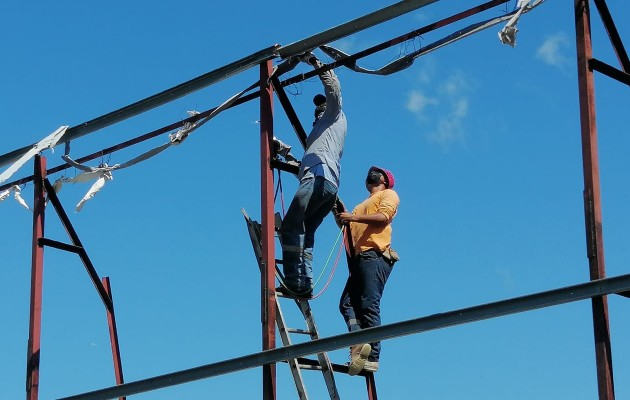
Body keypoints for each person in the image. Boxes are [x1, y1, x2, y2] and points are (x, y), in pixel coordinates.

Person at [278, 52, 347, 298]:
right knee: (305, 231)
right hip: (326, 185)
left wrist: (315, 61)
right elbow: (303, 167)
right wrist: (285, 154)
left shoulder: (334, 116)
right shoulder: (318, 137)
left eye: (321, 107)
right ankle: (304, 282)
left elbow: (334, 91)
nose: (317, 111)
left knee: (290, 226)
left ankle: (294, 281)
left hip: (318, 179)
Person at [337, 166, 400, 375]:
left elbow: (383, 217)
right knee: (347, 304)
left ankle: (373, 357)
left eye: (378, 173)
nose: (373, 174)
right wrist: (344, 218)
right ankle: (358, 346)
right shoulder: (359, 207)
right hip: (360, 258)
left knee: (369, 303)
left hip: (375, 255)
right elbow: (351, 228)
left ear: (385, 181)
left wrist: (352, 218)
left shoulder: (388, 194)